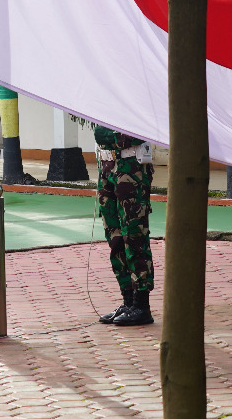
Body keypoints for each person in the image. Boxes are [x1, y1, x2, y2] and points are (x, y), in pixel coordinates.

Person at [93, 125, 156, 326]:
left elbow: (138, 132)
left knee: (134, 235)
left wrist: (111, 137)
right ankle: (128, 301)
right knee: (115, 236)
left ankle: (141, 304)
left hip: (132, 165)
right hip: (108, 165)